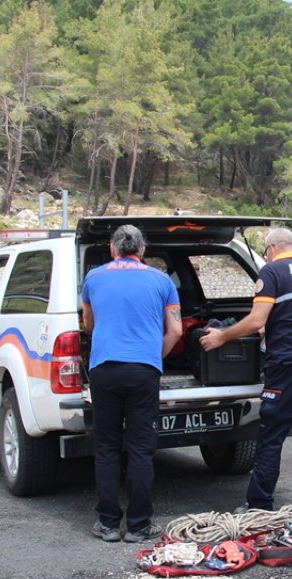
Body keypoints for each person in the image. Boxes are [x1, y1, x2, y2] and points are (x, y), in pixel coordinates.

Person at [199, 227, 292, 512]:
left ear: (271, 249)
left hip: (289, 362)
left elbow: (256, 320)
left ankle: (259, 504)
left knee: (271, 434)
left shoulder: (272, 273)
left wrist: (222, 336)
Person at [81, 225, 182, 543]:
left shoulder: (93, 278)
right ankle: (139, 526)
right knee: (141, 449)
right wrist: (153, 355)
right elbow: (177, 331)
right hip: (143, 370)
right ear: (142, 250)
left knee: (107, 447)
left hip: (104, 369)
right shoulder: (162, 280)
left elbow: (88, 323)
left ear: (113, 249)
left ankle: (108, 524)